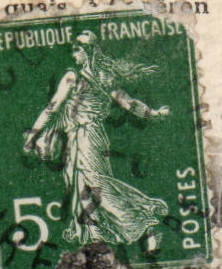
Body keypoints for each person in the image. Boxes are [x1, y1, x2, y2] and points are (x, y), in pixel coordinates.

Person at [23, 29, 174, 250]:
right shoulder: (106, 80)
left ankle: (146, 224)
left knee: (96, 186)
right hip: (87, 138)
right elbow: (129, 104)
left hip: (86, 137)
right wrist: (154, 113)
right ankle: (96, 233)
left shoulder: (72, 78)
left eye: (78, 51)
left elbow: (51, 108)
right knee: (84, 187)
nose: (74, 56)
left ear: (89, 52)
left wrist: (34, 134)